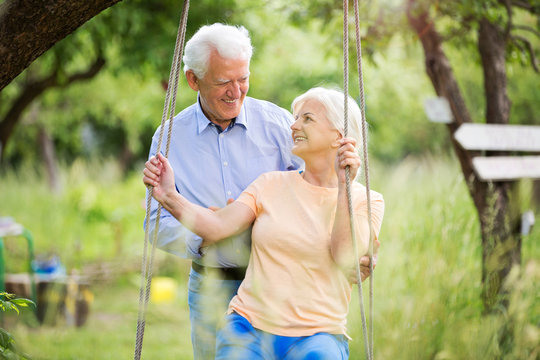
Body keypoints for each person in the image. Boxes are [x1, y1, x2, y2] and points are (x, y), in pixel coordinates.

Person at [143, 87, 385, 359]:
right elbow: (216, 226)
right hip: (249, 328)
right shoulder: (269, 184)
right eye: (295, 118)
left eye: (307, 119)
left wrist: (343, 186)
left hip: (319, 335)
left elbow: (344, 255)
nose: (293, 126)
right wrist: (168, 196)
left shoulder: (366, 201)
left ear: (338, 138)